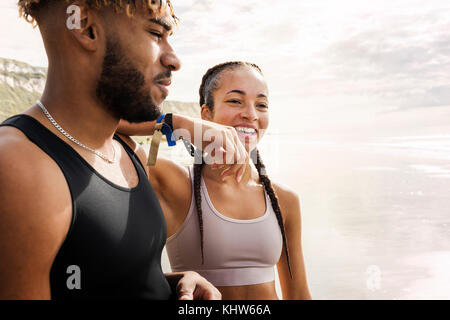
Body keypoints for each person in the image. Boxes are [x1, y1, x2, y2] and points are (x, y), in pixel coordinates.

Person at [0, 0, 249, 300]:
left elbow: (103, 278)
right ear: (85, 27)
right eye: (156, 33)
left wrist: (173, 283)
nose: (174, 59)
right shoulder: (20, 168)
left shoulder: (125, 151)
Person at [118, 61, 312, 300]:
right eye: (235, 101)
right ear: (205, 115)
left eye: (261, 104)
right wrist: (178, 123)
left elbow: (299, 294)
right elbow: (101, 131)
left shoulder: (284, 199)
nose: (251, 114)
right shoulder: (177, 183)